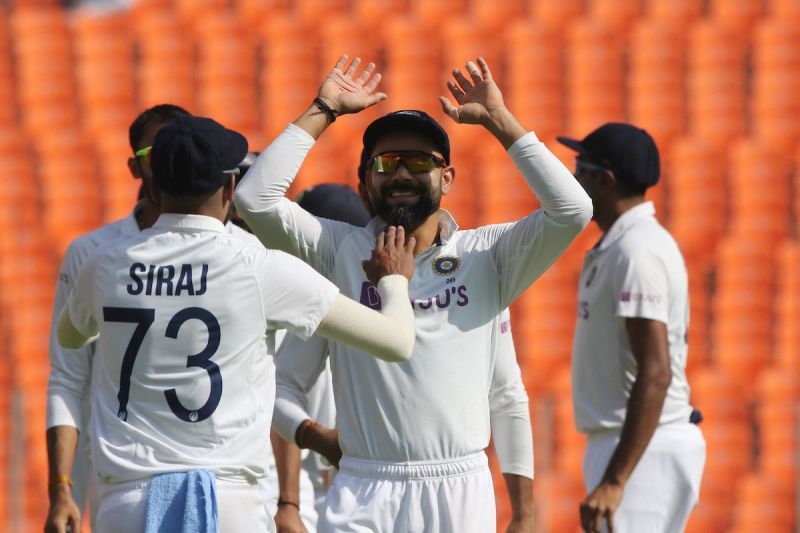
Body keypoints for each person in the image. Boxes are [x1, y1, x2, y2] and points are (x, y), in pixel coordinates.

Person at [235, 55, 592, 532]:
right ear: (365, 180)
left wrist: (499, 122)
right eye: (385, 163)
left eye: (420, 162)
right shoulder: (337, 250)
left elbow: (572, 210)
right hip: (364, 485)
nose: (401, 174)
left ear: (447, 177)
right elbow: (253, 198)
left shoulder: (486, 255)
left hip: (457, 490)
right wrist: (324, 108)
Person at [51, 115, 418, 532]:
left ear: (153, 187)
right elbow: (396, 342)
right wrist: (392, 280)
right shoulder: (259, 268)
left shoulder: (102, 263)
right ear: (229, 189)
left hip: (124, 503)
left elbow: (70, 335)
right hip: (228, 501)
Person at [45, 103, 191, 531]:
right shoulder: (90, 254)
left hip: (212, 471)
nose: (167, 163)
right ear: (133, 167)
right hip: (121, 479)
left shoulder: (233, 250)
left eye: (178, 150)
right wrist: (61, 488)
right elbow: (68, 375)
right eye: (154, 154)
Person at [558, 123, 706, 533]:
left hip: (642, 451)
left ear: (604, 180)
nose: (573, 179)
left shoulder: (636, 250)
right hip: (634, 444)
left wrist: (615, 480)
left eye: (579, 168)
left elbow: (656, 372)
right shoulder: (627, 244)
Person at [269, 184, 372, 533]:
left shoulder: (360, 315)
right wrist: (289, 503)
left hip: (345, 498)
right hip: (303, 504)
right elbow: (280, 398)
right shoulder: (289, 314)